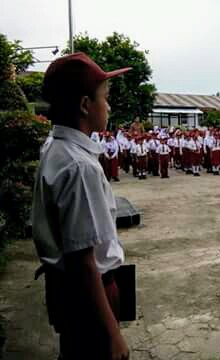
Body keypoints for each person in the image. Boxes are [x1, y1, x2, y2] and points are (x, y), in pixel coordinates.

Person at [32, 52, 130, 360]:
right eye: (105, 97)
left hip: (69, 291)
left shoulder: (56, 146)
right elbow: (84, 262)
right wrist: (114, 335)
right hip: (88, 295)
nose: (109, 106)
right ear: (85, 105)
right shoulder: (78, 167)